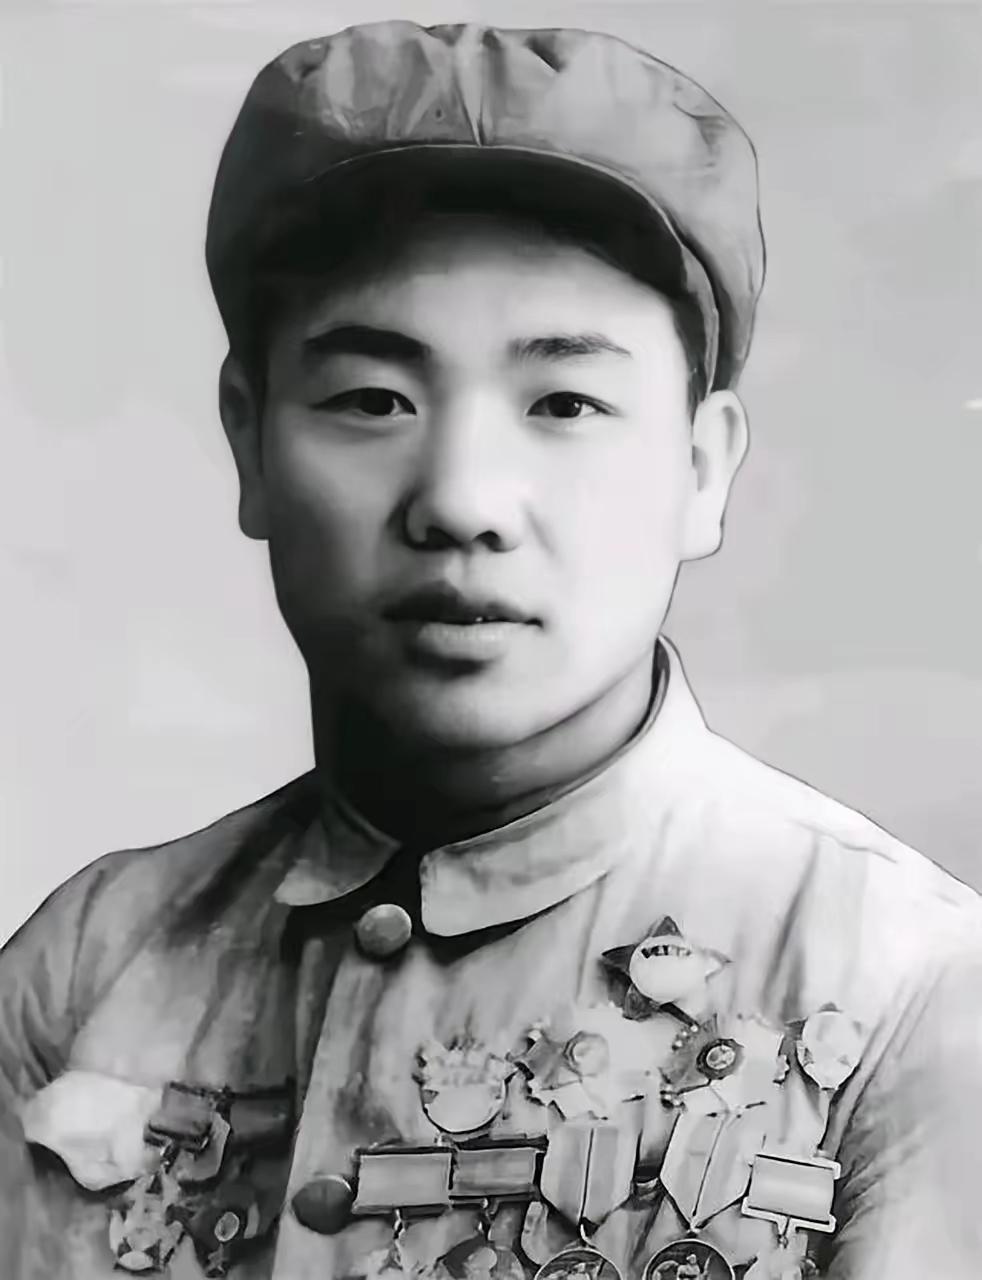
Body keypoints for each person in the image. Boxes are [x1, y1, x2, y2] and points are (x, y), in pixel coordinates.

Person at [0, 19, 979, 1280]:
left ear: (700, 467)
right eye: (372, 400)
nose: (461, 500)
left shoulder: (907, 990)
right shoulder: (85, 968)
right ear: (248, 443)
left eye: (564, 402)